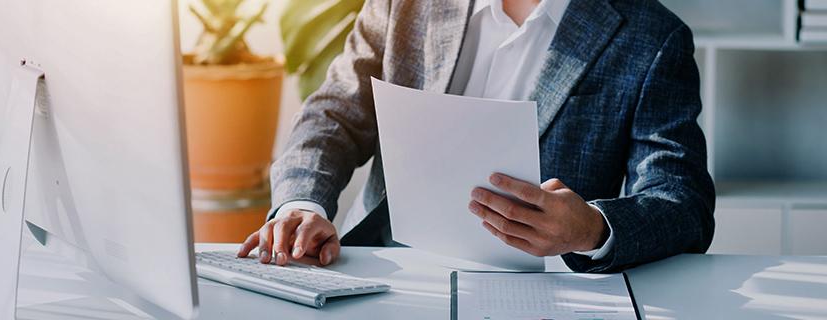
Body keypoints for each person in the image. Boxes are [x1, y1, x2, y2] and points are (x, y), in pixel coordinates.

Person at [237, 0, 715, 273]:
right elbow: (334, 115)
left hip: (540, 290)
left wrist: (591, 228)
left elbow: (682, 202)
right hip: (383, 270)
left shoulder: (652, 38)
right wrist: (303, 206)